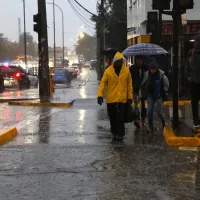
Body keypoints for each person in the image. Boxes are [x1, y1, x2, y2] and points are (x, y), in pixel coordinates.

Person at [97, 52, 133, 140]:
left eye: (121, 61)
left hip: (122, 100)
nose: (120, 63)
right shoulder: (108, 71)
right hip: (111, 99)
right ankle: (114, 132)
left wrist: (130, 97)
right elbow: (103, 83)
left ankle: (120, 134)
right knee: (112, 118)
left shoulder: (126, 71)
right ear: (115, 62)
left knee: (120, 118)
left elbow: (129, 85)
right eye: (118, 62)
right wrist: (100, 95)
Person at [140, 58, 169, 133]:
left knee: (158, 111)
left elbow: (166, 84)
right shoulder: (147, 74)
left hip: (158, 96)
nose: (152, 71)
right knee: (149, 112)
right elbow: (143, 84)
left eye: (154, 69)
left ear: (157, 68)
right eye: (151, 69)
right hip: (150, 95)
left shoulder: (161, 75)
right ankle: (150, 127)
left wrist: (163, 92)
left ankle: (163, 121)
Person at [185, 34, 200, 129]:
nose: (194, 43)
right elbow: (187, 67)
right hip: (194, 83)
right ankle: (196, 120)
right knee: (194, 102)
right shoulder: (191, 52)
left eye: (196, 42)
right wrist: (188, 76)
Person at [129, 57, 143, 129]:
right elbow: (129, 78)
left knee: (141, 104)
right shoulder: (132, 68)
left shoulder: (144, 67)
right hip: (135, 89)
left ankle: (140, 118)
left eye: (140, 60)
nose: (139, 61)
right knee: (136, 104)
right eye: (138, 60)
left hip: (142, 89)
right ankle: (137, 119)